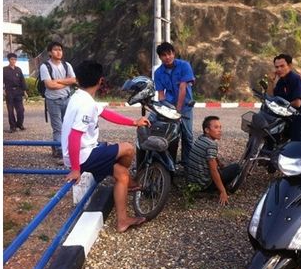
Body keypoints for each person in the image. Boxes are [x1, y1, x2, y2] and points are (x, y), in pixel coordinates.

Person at [61, 60, 151, 233]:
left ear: (78, 80)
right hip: (82, 156)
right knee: (128, 148)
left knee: (122, 174)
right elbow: (74, 136)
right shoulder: (85, 104)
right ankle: (122, 183)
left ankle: (123, 217)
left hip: (84, 152)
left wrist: (134, 122)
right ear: (100, 81)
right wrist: (75, 169)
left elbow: (106, 113)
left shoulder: (80, 96)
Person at [153, 42, 195, 169]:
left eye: (169, 54)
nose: (167, 57)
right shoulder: (158, 72)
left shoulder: (184, 66)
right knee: (170, 136)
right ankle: (170, 165)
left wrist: (178, 110)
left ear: (173, 53)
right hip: (169, 107)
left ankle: (187, 164)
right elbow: (161, 94)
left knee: (187, 136)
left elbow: (183, 87)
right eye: (164, 55)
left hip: (185, 107)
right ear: (160, 57)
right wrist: (161, 111)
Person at [187, 116, 240, 206]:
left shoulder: (201, 138)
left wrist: (219, 162)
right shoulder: (211, 144)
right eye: (216, 127)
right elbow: (213, 171)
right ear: (207, 130)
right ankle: (221, 188)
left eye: (220, 127)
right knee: (236, 167)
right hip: (203, 185)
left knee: (222, 168)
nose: (219, 130)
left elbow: (210, 155)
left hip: (192, 181)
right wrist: (222, 191)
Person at [40, 41, 77, 161]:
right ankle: (60, 152)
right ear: (50, 52)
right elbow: (50, 85)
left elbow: (74, 80)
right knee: (58, 128)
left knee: (68, 125)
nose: (58, 52)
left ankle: (58, 146)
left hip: (67, 99)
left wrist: (58, 81)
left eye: (60, 50)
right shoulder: (45, 66)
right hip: (53, 101)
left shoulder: (67, 65)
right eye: (55, 50)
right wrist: (65, 82)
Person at [266, 54, 301, 141]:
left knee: (295, 145)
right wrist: (270, 82)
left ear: (290, 66)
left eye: (282, 66)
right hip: (287, 114)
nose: (279, 69)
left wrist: (279, 106)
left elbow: (297, 103)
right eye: (277, 67)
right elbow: (271, 97)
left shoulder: (295, 79)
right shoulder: (282, 81)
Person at [3, 53, 28, 133]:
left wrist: (25, 91)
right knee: (10, 111)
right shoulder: (4, 70)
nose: (13, 61)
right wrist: (3, 90)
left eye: (14, 59)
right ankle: (12, 127)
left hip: (18, 92)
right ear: (9, 60)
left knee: (21, 110)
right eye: (11, 59)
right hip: (9, 92)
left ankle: (19, 124)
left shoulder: (18, 69)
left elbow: (22, 81)